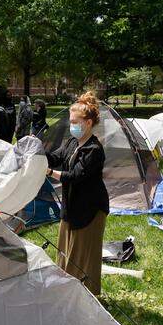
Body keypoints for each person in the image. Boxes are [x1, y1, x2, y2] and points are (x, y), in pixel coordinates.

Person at [46, 92, 109, 296]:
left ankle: (85, 295)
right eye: (70, 121)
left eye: (75, 122)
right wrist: (37, 153)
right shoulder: (73, 143)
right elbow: (56, 157)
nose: (71, 125)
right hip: (71, 206)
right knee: (65, 250)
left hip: (90, 209)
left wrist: (48, 172)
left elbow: (75, 175)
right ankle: (66, 291)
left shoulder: (94, 149)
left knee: (83, 256)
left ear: (88, 123)